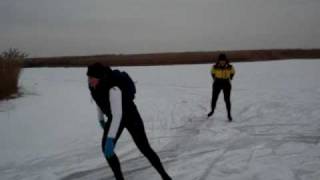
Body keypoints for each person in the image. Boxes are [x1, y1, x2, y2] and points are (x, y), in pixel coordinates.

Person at [87, 63, 171, 180]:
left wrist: (110, 139)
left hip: (130, 115)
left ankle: (165, 176)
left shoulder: (113, 88)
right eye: (88, 77)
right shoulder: (93, 85)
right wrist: (101, 119)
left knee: (144, 148)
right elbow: (99, 100)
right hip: (114, 116)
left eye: (92, 78)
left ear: (100, 77)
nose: (89, 80)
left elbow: (118, 115)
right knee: (106, 150)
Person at [208, 53, 235, 121]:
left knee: (227, 99)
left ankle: (229, 114)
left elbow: (233, 72)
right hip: (217, 83)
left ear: (226, 60)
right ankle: (212, 111)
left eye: (223, 60)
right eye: (221, 60)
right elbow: (212, 72)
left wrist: (231, 77)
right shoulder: (215, 66)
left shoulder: (230, 66)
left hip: (226, 83)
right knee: (214, 98)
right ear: (219, 61)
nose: (222, 61)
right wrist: (215, 79)